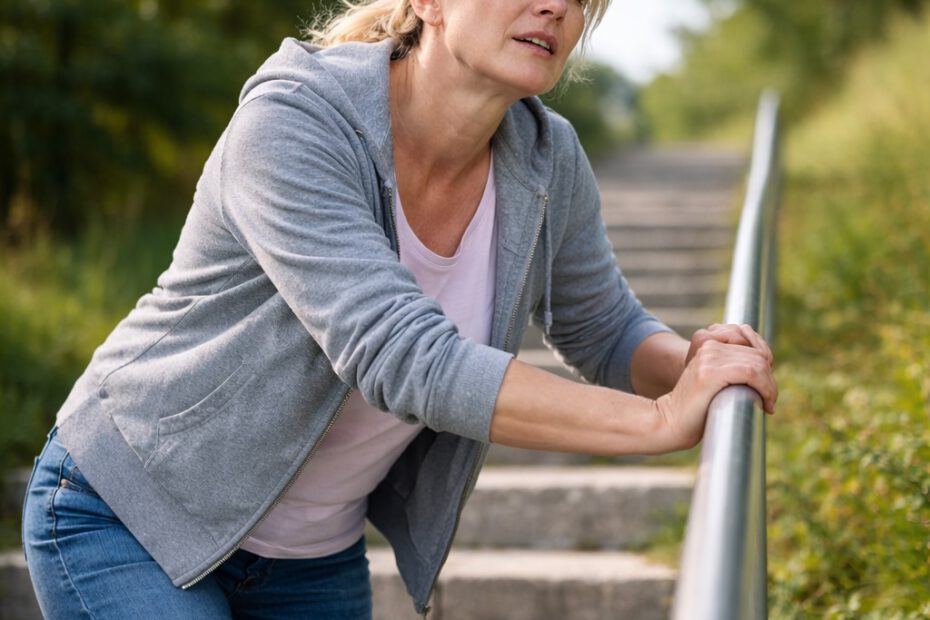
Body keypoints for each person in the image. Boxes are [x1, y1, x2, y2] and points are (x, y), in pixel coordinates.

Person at [21, 0, 777, 617]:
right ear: (429, 4)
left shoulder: (548, 157)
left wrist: (702, 366)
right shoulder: (298, 117)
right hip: (131, 510)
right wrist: (657, 424)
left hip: (313, 561)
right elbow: (401, 355)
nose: (556, 8)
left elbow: (603, 326)